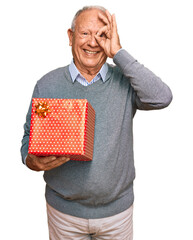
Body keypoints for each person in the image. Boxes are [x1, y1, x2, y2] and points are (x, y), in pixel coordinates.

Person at [21, 5, 172, 240]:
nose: (93, 42)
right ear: (70, 37)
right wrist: (31, 160)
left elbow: (162, 97)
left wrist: (119, 53)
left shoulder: (126, 83)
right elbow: (28, 139)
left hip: (116, 214)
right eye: (84, 33)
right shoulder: (46, 84)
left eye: (101, 35)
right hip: (64, 214)